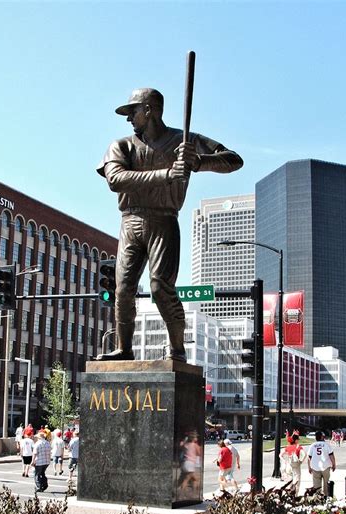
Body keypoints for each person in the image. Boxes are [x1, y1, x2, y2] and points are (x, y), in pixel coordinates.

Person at [97, 87, 243, 362]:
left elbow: (234, 160)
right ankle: (123, 348)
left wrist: (198, 161)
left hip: (164, 221)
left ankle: (176, 349)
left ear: (149, 110)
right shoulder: (122, 145)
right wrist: (167, 173)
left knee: (159, 287)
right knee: (123, 289)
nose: (129, 118)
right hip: (130, 220)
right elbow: (115, 178)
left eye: (133, 111)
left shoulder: (182, 141)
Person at [307, 431, 336, 496]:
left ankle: (318, 498)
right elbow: (331, 455)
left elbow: (309, 457)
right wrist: (333, 464)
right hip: (325, 467)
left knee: (316, 485)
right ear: (321, 437)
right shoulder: (326, 445)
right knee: (326, 484)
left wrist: (309, 467)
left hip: (315, 467)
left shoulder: (312, 445)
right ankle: (326, 497)